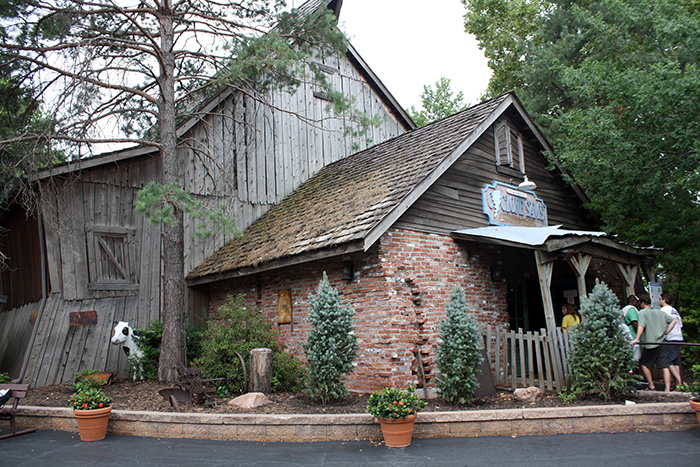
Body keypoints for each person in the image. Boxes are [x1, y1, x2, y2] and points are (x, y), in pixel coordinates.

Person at [630, 294, 677, 392]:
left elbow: (641, 326)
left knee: (644, 364)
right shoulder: (659, 312)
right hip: (662, 342)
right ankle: (667, 389)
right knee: (665, 366)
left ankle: (651, 385)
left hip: (650, 343)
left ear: (642, 303)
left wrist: (636, 338)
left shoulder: (642, 313)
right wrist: (666, 332)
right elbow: (674, 320)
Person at [659, 293, 684, 387]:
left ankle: (681, 382)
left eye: (660, 299)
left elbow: (663, 323)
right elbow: (680, 324)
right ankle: (679, 385)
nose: (659, 301)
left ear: (664, 300)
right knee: (676, 362)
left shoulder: (663, 310)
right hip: (679, 337)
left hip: (671, 338)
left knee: (668, 361)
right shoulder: (674, 310)